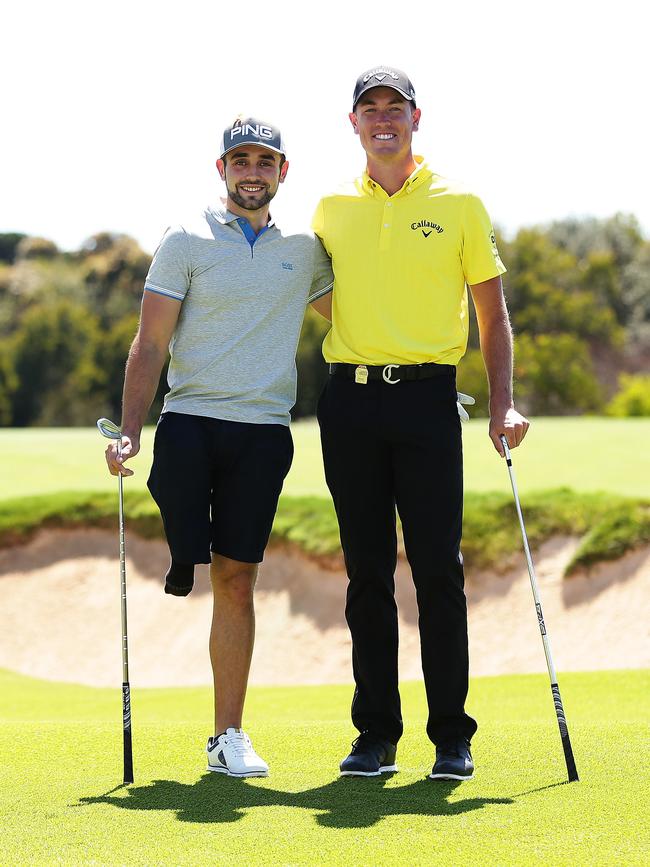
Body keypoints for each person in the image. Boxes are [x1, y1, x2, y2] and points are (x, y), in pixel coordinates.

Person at [312, 67, 529, 781]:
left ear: (415, 118)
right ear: (353, 123)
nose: (383, 119)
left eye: (394, 108)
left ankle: (451, 737)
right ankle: (375, 735)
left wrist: (502, 404)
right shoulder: (330, 208)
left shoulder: (459, 203)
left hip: (429, 402)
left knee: (439, 570)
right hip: (348, 403)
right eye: (369, 109)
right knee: (366, 573)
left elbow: (493, 315)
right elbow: (317, 294)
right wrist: (367, 324)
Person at [104, 117, 333, 778]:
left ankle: (227, 735)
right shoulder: (185, 238)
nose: (253, 171)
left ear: (283, 171)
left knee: (237, 577)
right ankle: (184, 553)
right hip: (190, 419)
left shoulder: (305, 249)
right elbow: (149, 343)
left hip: (263, 431)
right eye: (241, 160)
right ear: (222, 168)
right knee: (178, 505)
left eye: (265, 160)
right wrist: (128, 428)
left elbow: (349, 316)